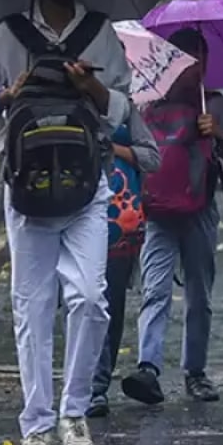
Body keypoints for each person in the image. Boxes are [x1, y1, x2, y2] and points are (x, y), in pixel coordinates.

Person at [0, 0, 133, 445]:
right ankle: (37, 424)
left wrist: (95, 89)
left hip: (88, 189)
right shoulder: (7, 36)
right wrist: (6, 94)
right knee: (32, 309)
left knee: (89, 298)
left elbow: (129, 107)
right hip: (26, 192)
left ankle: (75, 414)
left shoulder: (103, 35)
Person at [121, 28, 223, 406]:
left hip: (199, 210)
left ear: (207, 63)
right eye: (184, 58)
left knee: (198, 295)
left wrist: (219, 135)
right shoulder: (146, 103)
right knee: (155, 290)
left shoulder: (217, 105)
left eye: (198, 60)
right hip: (157, 210)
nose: (192, 68)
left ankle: (195, 371)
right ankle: (149, 368)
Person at [87, 109, 160, 418]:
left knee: (110, 304)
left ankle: (97, 386)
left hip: (120, 222)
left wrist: (113, 148)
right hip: (70, 212)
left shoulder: (125, 109)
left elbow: (151, 158)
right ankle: (84, 387)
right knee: (82, 300)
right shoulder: (59, 100)